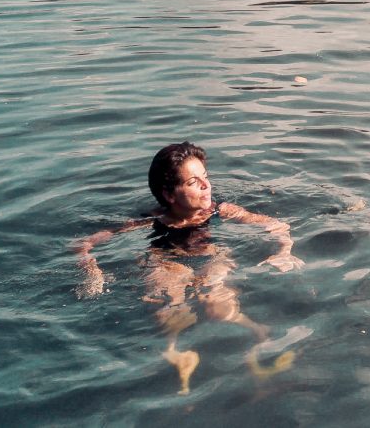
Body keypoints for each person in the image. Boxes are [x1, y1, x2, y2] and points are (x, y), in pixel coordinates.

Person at [73, 141, 303, 394]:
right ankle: (175, 352)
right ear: (169, 195)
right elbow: (83, 244)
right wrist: (91, 271)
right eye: (194, 182)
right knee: (169, 299)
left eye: (205, 177)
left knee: (216, 296)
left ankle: (259, 337)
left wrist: (284, 252)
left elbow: (277, 226)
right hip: (166, 258)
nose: (207, 187)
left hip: (211, 255)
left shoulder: (221, 210)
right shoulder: (148, 221)